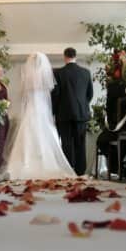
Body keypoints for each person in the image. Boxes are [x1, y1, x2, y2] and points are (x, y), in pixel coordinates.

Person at [0, 53, 76, 181]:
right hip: (43, 110)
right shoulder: (45, 76)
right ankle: (46, 164)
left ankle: (22, 165)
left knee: (26, 134)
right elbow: (49, 95)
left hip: (31, 109)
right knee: (46, 135)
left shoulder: (27, 76)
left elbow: (23, 96)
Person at [52, 47, 94, 175]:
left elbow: (56, 95)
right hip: (81, 113)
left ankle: (69, 171)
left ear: (65, 57)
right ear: (76, 56)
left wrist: (53, 112)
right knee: (80, 144)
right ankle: (81, 172)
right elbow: (90, 94)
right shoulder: (86, 72)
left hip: (63, 114)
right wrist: (82, 106)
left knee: (66, 143)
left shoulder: (58, 73)